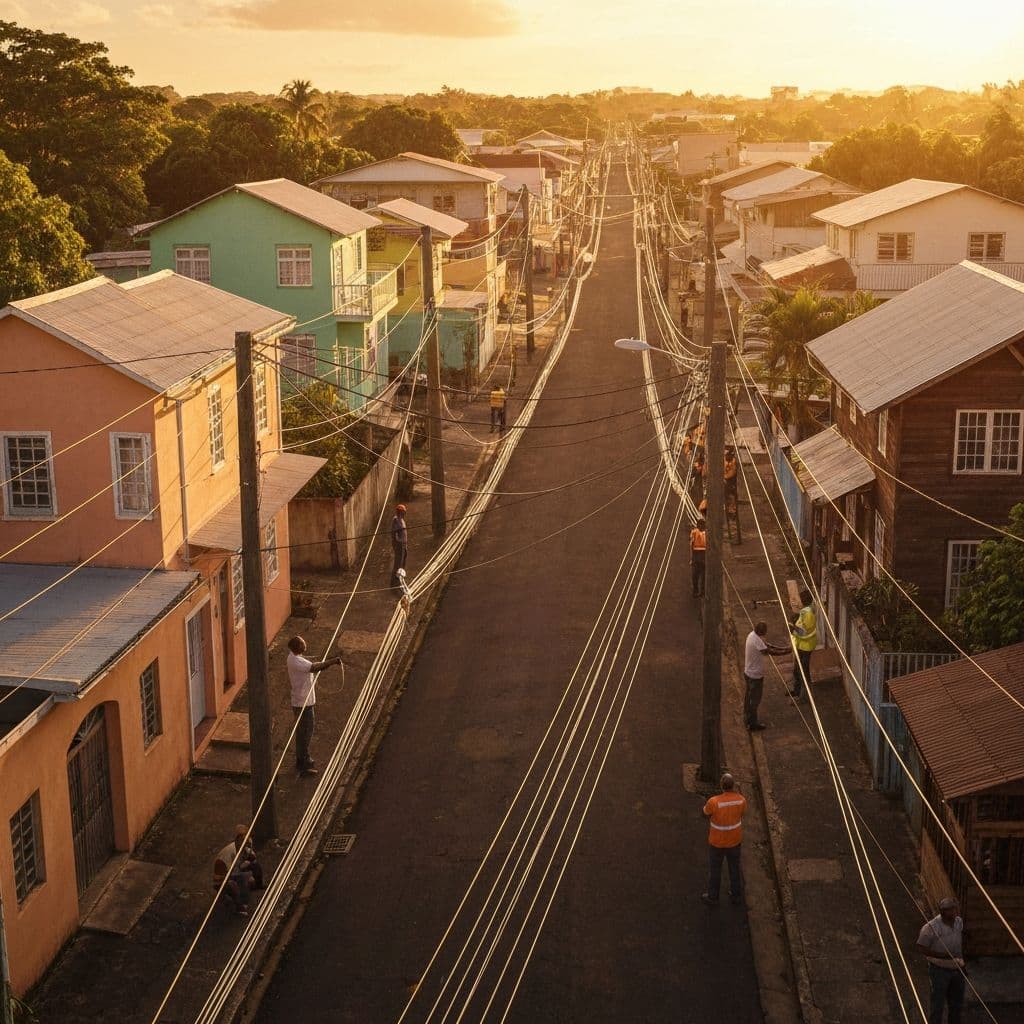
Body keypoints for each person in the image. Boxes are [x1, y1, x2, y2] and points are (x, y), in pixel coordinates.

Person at [287, 636, 342, 776]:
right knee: (306, 732)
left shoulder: (295, 658)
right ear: (297, 647)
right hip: (302, 702)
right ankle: (303, 763)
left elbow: (311, 666)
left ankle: (303, 759)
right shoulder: (296, 661)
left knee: (303, 732)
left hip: (303, 700)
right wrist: (333, 661)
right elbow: (314, 667)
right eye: (302, 644)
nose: (305, 646)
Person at [916, 897, 966, 1024]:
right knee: (937, 1005)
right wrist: (942, 955)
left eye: (955, 909)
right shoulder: (930, 927)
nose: (955, 912)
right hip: (939, 970)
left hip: (957, 969)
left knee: (956, 1005)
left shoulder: (959, 922)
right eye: (951, 910)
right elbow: (921, 948)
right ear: (943, 911)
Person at [702, 773, 747, 905]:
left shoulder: (714, 802)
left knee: (715, 870)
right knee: (734, 868)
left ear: (722, 786)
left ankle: (713, 897)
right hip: (735, 840)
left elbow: (704, 814)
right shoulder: (741, 800)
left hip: (717, 842)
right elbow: (743, 813)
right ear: (733, 786)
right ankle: (736, 895)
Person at [743, 622, 788, 730]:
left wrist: (783, 648)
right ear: (761, 632)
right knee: (754, 700)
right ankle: (752, 724)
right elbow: (768, 651)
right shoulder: (756, 640)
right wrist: (786, 652)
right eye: (764, 633)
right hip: (755, 676)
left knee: (749, 697)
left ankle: (746, 717)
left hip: (748, 672)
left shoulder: (752, 635)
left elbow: (767, 645)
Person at [213, 824, 264, 916]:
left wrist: (250, 861)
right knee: (236, 883)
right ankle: (240, 908)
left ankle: (256, 886)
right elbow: (226, 874)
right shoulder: (228, 853)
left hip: (235, 872)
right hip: (223, 878)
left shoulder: (243, 849)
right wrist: (242, 869)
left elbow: (252, 857)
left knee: (251, 872)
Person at [788, 589, 817, 699]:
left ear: (803, 600)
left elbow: (803, 632)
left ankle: (804, 696)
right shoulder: (805, 611)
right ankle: (796, 691)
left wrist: (793, 628)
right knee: (796, 670)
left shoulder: (808, 614)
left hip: (806, 647)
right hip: (801, 645)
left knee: (803, 672)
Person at [690, 517, 707, 598]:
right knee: (695, 575)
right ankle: (696, 590)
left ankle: (702, 591)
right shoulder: (694, 532)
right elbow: (691, 545)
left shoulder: (707, 533)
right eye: (699, 525)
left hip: (704, 554)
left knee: (703, 576)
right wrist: (692, 558)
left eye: (702, 525)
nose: (700, 527)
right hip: (696, 555)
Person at [391, 503, 408, 587]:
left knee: (403, 560)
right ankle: (394, 581)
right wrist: (397, 542)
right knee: (398, 562)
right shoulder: (396, 520)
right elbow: (394, 533)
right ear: (400, 512)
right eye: (403, 512)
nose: (404, 514)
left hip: (404, 544)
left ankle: (400, 576)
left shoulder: (402, 520)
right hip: (400, 545)